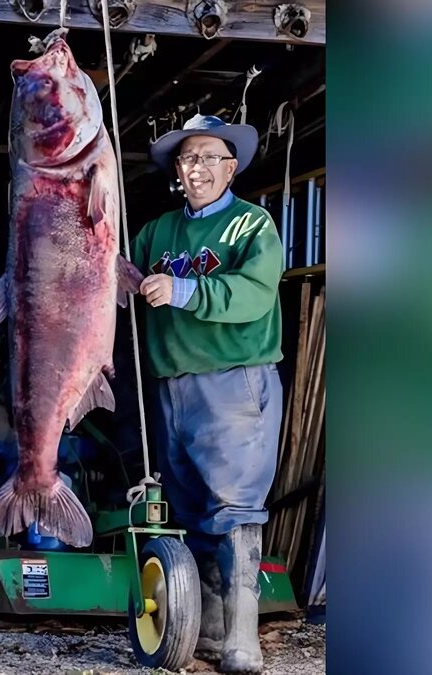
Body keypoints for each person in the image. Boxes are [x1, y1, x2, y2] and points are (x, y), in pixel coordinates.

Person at [130, 114, 284, 673]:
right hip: (173, 384)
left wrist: (182, 289)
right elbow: (123, 281)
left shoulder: (253, 226)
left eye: (210, 158)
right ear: (178, 170)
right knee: (192, 511)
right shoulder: (157, 232)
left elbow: (254, 294)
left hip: (233, 381)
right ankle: (210, 636)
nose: (198, 168)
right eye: (188, 159)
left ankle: (244, 643)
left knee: (235, 510)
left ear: (232, 166)